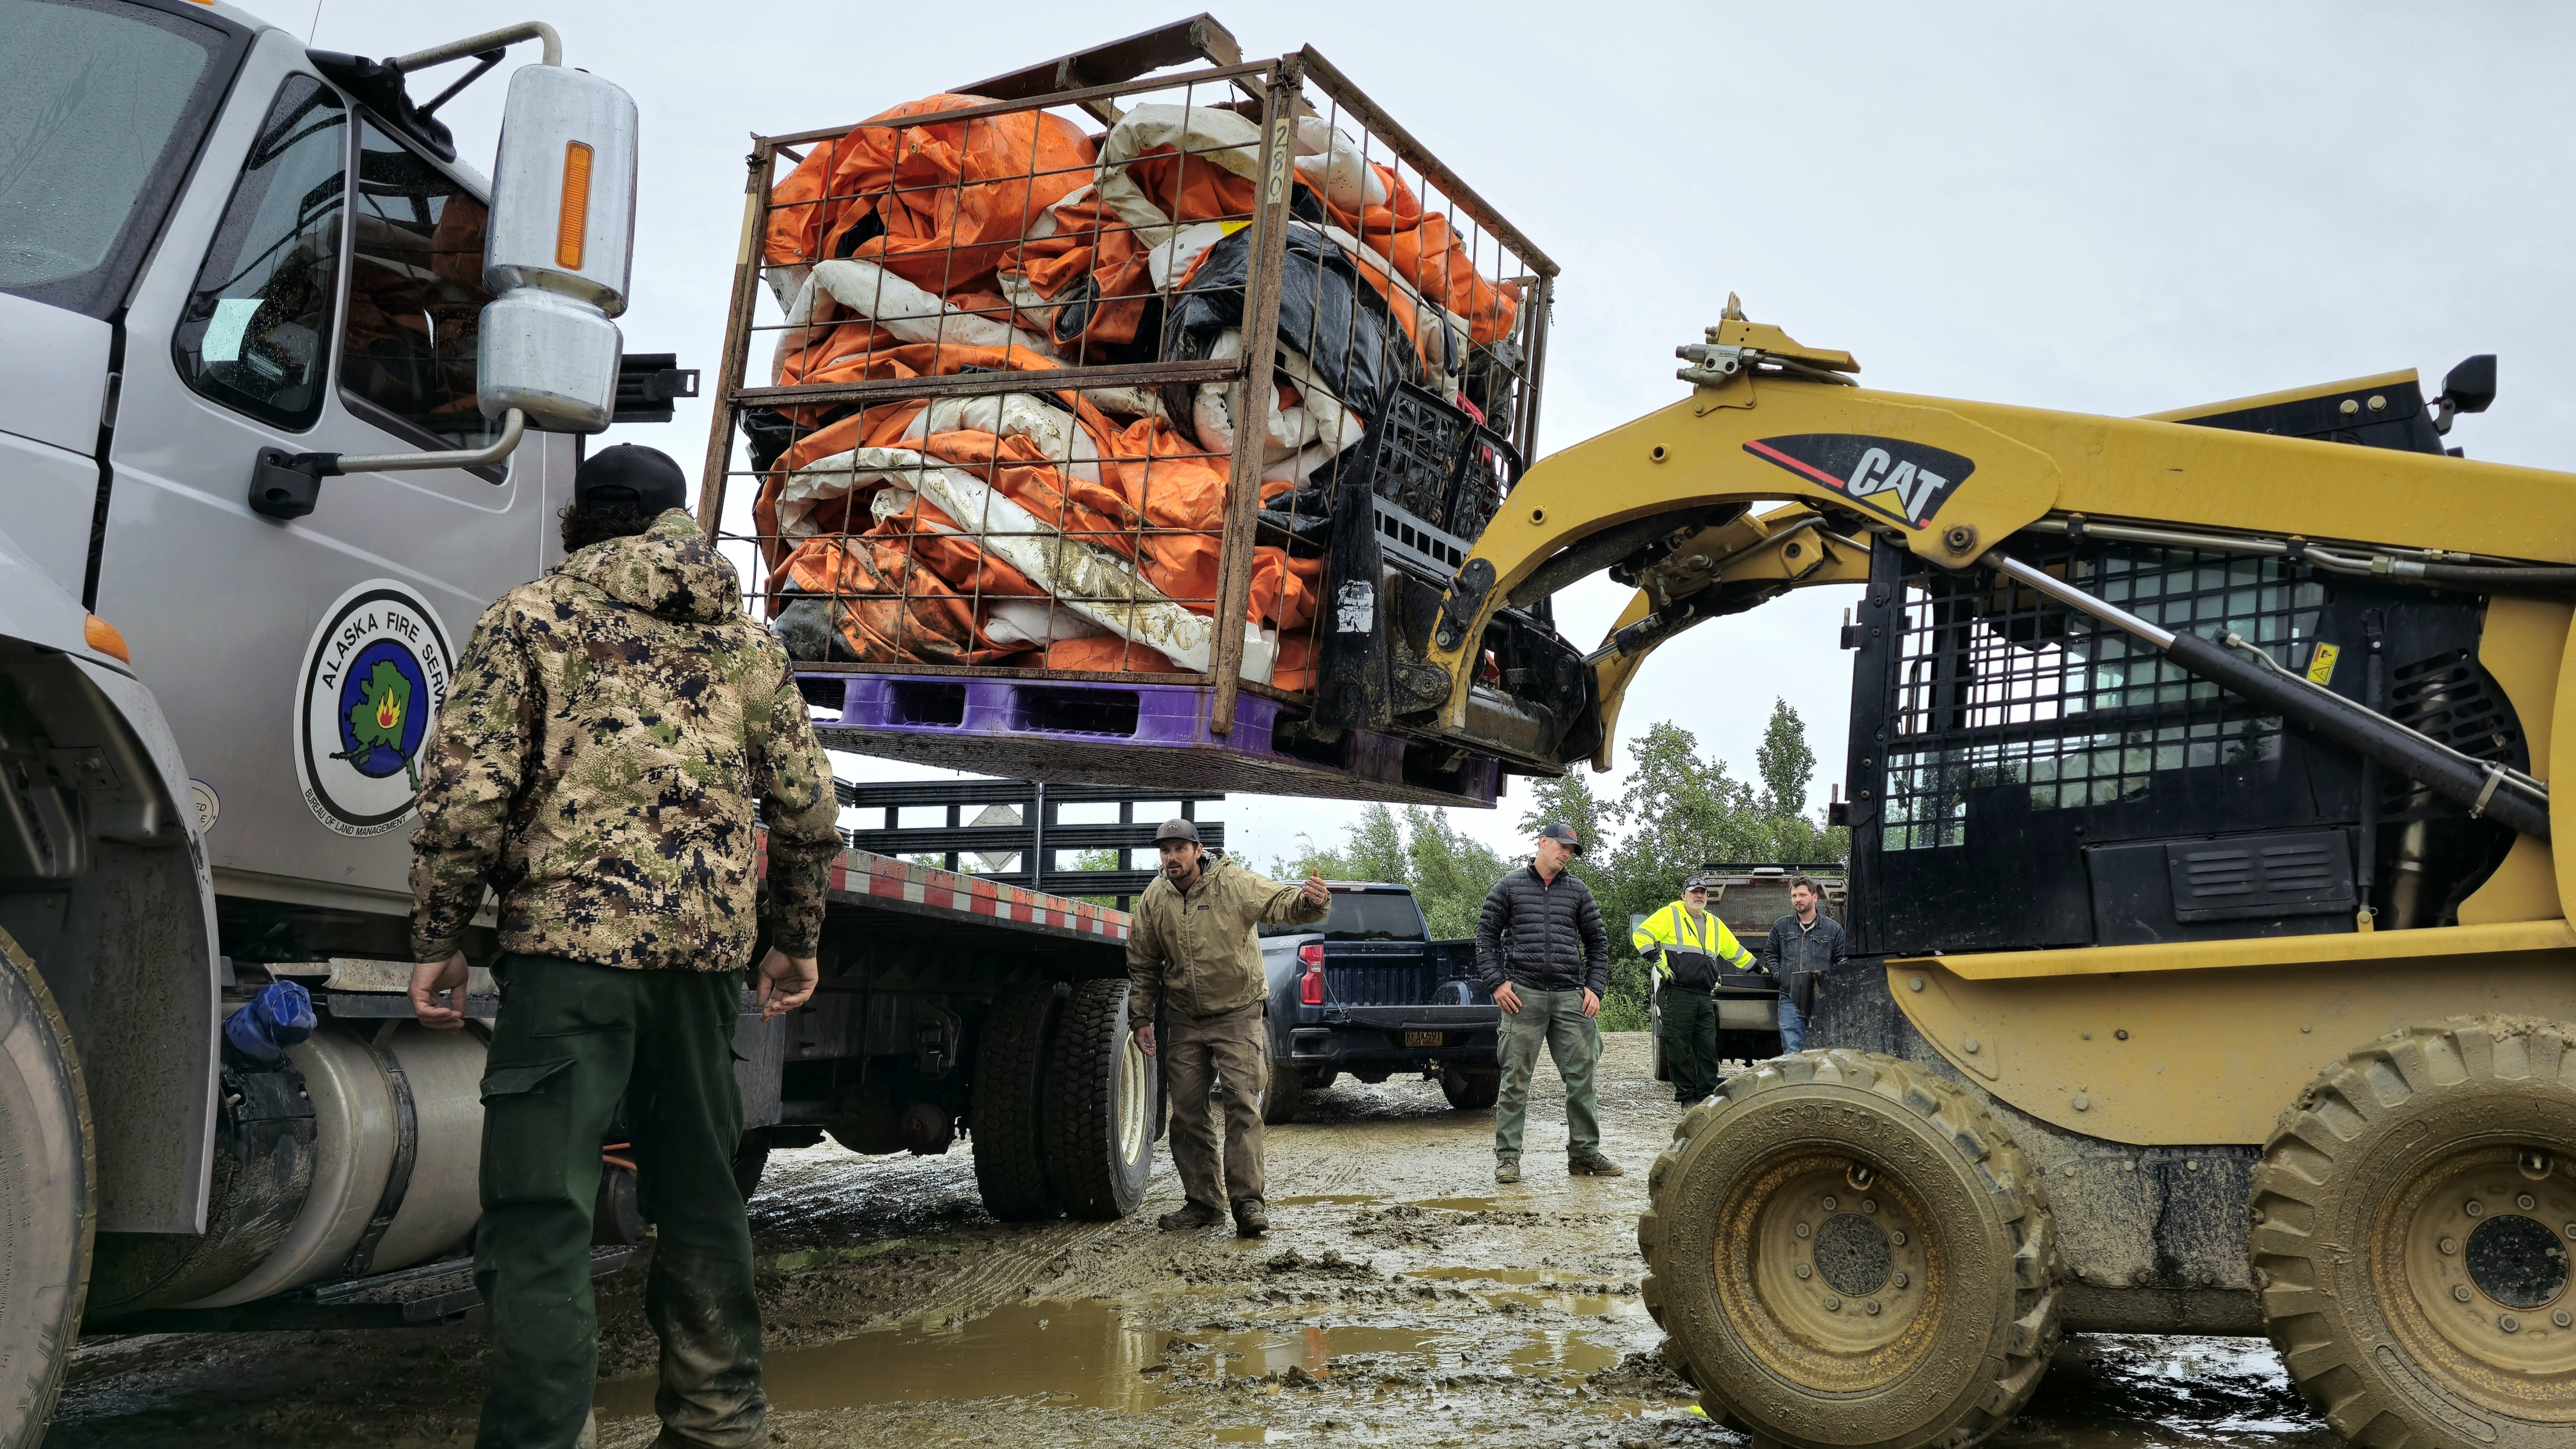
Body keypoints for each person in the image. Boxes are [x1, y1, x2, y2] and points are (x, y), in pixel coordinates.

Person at [407, 445, 844, 1449]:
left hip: (566, 961)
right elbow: (809, 811)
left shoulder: (529, 621)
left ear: (581, 524)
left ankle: (539, 1438)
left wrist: (439, 938)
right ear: (673, 524)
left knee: (542, 1215)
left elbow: (465, 799)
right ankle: (719, 1423)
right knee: (700, 1195)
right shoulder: (746, 646)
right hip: (702, 972)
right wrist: (796, 941)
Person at [1127, 819, 1331, 1238]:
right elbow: (1143, 962)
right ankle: (1203, 1204)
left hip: (1238, 1012)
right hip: (1184, 1017)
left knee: (1242, 1105)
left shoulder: (1233, 883)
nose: (1171, 859)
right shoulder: (1154, 899)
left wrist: (1313, 903)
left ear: (1198, 850)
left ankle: (1249, 1205)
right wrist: (1141, 1018)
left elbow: (1281, 903)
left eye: (1179, 849)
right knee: (1185, 1113)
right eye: (1165, 851)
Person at [1475, 823, 1621, 1184]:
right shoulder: (1509, 886)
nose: (1567, 853)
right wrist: (1496, 983)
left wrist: (1595, 987)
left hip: (1571, 997)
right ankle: (1508, 1159)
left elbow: (1598, 944)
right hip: (1523, 996)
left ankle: (1584, 1153)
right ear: (1542, 843)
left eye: (1572, 850)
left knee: (1582, 1077)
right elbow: (1485, 938)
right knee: (1515, 1080)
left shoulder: (1578, 892)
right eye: (1562, 846)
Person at [1633, 877, 1756, 1102]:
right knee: (1679, 1047)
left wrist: (1760, 970)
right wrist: (1657, 960)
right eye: (1694, 892)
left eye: (1703, 893)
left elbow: (1735, 952)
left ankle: (1707, 1095)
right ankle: (1686, 1096)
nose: (1699, 896)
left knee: (1707, 1049)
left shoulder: (1714, 923)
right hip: (1678, 993)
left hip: (1704, 995)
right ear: (1684, 896)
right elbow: (1641, 935)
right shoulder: (1670, 915)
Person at [1762, 875, 1846, 1054]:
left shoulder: (1834, 929)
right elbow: (1770, 955)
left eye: (1802, 895)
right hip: (1790, 997)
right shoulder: (1781, 927)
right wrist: (1780, 975)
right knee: (1793, 1050)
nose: (1798, 900)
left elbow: (1842, 960)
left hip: (1822, 999)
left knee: (1825, 1050)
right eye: (1794, 896)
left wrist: (1832, 985)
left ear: (1815, 897)